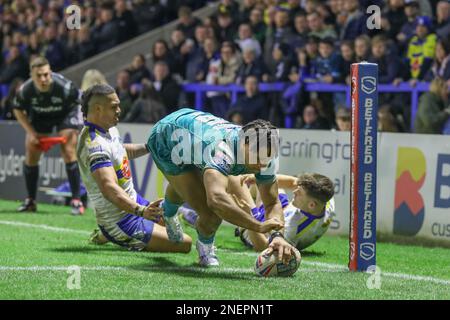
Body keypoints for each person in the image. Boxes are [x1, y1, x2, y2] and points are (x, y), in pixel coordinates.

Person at [146, 108, 296, 266]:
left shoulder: (265, 154)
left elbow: (272, 202)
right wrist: (257, 226)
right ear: (244, 143)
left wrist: (278, 235)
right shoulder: (222, 151)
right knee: (210, 214)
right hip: (165, 138)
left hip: (192, 135)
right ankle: (201, 245)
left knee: (187, 185)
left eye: (267, 158)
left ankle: (167, 209)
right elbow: (216, 200)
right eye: (257, 157)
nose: (262, 164)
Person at [78, 84, 192, 253]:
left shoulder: (108, 131)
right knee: (185, 243)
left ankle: (106, 234)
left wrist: (149, 147)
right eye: (114, 106)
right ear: (98, 109)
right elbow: (109, 188)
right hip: (120, 220)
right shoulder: (94, 146)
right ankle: (110, 233)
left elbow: (120, 151)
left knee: (172, 224)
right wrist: (140, 211)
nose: (119, 110)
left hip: (133, 202)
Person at [180, 173, 335, 252]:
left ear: (312, 204)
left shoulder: (293, 228)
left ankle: (200, 217)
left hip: (257, 231)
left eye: (299, 193)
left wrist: (248, 215)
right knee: (265, 180)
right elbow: (294, 182)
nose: (294, 191)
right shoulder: (326, 201)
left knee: (234, 179)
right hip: (280, 213)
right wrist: (256, 178)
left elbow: (262, 246)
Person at [12, 57, 85, 214]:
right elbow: (17, 109)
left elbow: (80, 102)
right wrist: (31, 133)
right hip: (40, 117)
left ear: (50, 72)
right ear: (32, 75)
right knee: (31, 149)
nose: (43, 79)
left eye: (46, 74)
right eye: (39, 75)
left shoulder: (64, 86)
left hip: (65, 114)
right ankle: (30, 201)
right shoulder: (25, 90)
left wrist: (77, 127)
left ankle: (76, 201)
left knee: (68, 150)